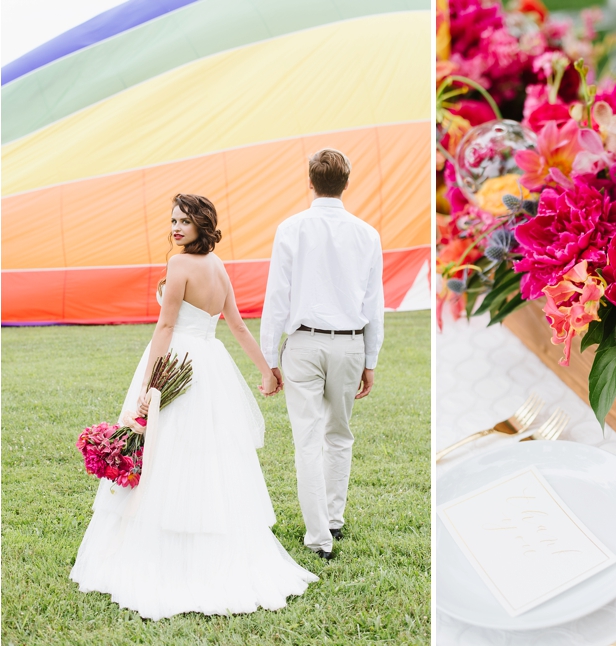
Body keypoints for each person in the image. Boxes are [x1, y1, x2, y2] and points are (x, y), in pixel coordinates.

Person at [70, 193, 317, 620]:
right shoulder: (218, 266)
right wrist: (266, 371)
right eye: (173, 220)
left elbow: (166, 325)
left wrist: (150, 386)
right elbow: (235, 326)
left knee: (170, 454)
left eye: (184, 221)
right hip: (210, 363)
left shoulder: (180, 264)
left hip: (178, 364)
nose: (176, 228)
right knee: (204, 456)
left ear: (203, 223)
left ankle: (166, 557)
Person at [260, 148, 384, 560]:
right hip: (350, 343)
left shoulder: (290, 229)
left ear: (310, 183)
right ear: (346, 183)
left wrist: (269, 359)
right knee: (339, 435)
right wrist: (370, 359)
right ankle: (333, 518)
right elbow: (374, 304)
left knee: (308, 440)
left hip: (304, 344)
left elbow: (277, 298)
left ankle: (319, 537)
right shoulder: (368, 234)